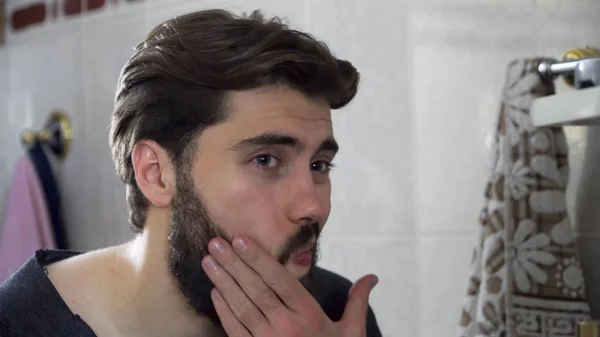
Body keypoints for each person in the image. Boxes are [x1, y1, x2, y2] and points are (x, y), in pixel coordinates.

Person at [0, 8, 382, 337]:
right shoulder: (15, 324)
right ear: (156, 173)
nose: (312, 206)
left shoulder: (334, 317)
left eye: (319, 166)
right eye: (265, 160)